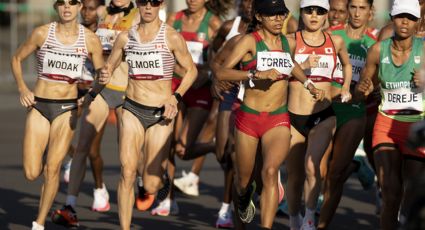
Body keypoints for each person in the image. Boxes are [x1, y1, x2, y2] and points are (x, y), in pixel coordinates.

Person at [216, 0, 324, 228]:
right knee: (243, 182)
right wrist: (254, 74)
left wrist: (309, 84)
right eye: (272, 15)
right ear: (259, 17)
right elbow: (223, 71)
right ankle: (241, 213)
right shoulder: (248, 41)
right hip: (249, 117)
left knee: (271, 171)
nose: (278, 19)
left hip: (277, 117)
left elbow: (291, 64)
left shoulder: (287, 41)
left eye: (281, 14)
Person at [10, 0, 107, 229]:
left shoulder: (89, 39)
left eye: (72, 3)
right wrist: (23, 88)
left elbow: (102, 74)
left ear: (79, 7)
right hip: (40, 106)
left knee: (52, 170)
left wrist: (92, 92)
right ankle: (54, 150)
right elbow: (16, 59)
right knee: (32, 172)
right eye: (62, 3)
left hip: (67, 109)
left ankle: (39, 223)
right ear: (56, 7)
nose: (67, 7)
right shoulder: (42, 33)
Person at [105, 0, 197, 229]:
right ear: (137, 4)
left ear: (161, 5)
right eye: (143, 2)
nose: (148, 7)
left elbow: (192, 71)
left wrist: (176, 97)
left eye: (153, 2)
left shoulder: (171, 37)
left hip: (160, 114)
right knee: (127, 171)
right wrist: (103, 75)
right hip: (132, 109)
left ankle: (160, 178)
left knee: (151, 185)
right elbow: (110, 65)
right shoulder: (126, 37)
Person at [51, 0, 140, 227]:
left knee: (126, 158)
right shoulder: (100, 13)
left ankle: (143, 185)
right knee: (83, 147)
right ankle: (70, 206)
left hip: (127, 91)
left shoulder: (139, 15)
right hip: (102, 88)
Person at [151, 0, 227, 215]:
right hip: (175, 86)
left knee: (183, 150)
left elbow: (222, 58)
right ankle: (168, 200)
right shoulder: (175, 19)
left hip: (200, 89)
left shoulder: (213, 23)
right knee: (169, 145)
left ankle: (216, 146)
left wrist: (207, 73)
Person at [284, 0, 352, 229]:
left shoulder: (337, 40)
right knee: (293, 176)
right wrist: (302, 67)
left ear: (327, 15)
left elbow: (347, 65)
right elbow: (280, 72)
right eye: (309, 11)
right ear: (301, 13)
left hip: (323, 116)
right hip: (293, 117)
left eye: (320, 11)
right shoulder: (291, 40)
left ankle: (309, 219)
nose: (314, 15)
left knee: (312, 168)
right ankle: (294, 220)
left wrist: (345, 87)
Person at [356, 0, 425, 229]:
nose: (405, 22)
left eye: (411, 18)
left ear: (417, 21)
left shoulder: (424, 49)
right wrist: (362, 89)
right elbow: (363, 90)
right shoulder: (378, 50)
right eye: (400, 16)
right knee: (391, 194)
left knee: (413, 194)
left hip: (416, 128)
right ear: (392, 18)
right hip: (386, 126)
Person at [317, 0, 378, 228]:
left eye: (362, 8)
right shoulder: (332, 34)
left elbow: (376, 82)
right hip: (327, 106)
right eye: (353, 7)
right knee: (316, 170)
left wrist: (371, 89)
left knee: (334, 174)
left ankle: (321, 225)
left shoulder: (374, 44)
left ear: (370, 12)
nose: (356, 13)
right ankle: (308, 218)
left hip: (353, 110)